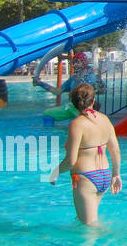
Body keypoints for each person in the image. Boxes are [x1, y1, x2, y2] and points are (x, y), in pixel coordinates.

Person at [51, 83, 121, 225]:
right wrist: (116, 174)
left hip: (86, 178)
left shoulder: (76, 124)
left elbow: (71, 160)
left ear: (73, 103)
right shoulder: (105, 120)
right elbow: (115, 151)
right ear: (93, 101)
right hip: (105, 176)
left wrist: (55, 172)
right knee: (85, 221)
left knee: (89, 229)